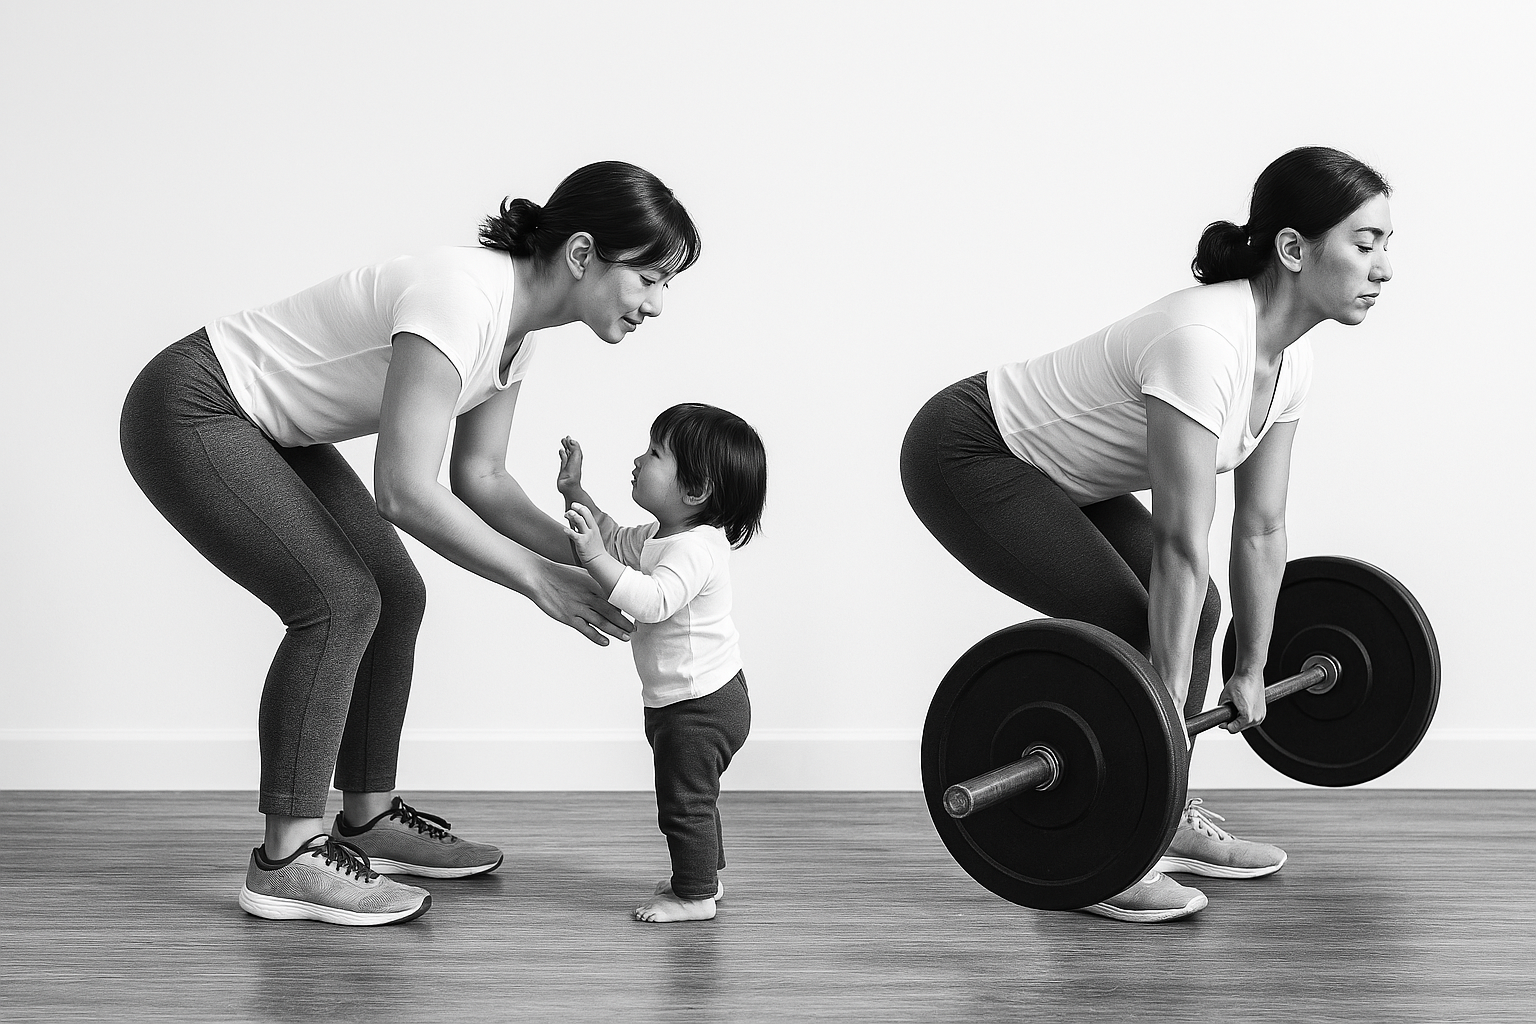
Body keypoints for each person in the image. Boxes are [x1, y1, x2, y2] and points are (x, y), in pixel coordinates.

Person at [120, 161, 701, 926]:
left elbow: (482, 478)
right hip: (194, 404)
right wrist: (539, 581)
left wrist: (590, 557)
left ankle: (366, 818)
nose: (658, 304)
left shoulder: (517, 337)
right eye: (650, 278)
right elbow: (403, 489)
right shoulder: (463, 297)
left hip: (270, 428)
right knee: (337, 600)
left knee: (396, 594)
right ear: (584, 254)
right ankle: (286, 859)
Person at [900, 146, 1393, 923]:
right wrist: (1152, 724)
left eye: (1386, 245)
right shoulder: (1207, 340)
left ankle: (1162, 820)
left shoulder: (1288, 366)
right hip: (970, 449)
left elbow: (1262, 528)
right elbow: (1180, 544)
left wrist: (1253, 667)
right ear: (1295, 249)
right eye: (1365, 244)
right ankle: (1114, 849)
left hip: (1062, 476)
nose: (1384, 267)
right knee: (1141, 621)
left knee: (1194, 613)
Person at [557, 404, 767, 923]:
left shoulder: (697, 550)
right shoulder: (659, 537)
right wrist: (575, 494)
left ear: (694, 491)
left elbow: (651, 600)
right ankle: (703, 877)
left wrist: (591, 561)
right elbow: (610, 538)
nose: (638, 458)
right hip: (686, 699)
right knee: (695, 795)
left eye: (654, 453)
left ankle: (693, 895)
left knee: (684, 803)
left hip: (702, 704)